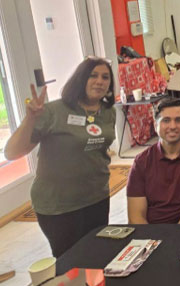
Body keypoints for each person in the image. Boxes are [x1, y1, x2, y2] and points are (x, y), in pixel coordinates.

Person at [4, 57, 115, 257]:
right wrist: (30, 119)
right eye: (93, 75)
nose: (100, 81)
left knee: (98, 253)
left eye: (105, 77)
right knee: (69, 260)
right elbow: (12, 152)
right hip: (59, 204)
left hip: (96, 197)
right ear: (81, 79)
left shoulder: (108, 112)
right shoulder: (54, 111)